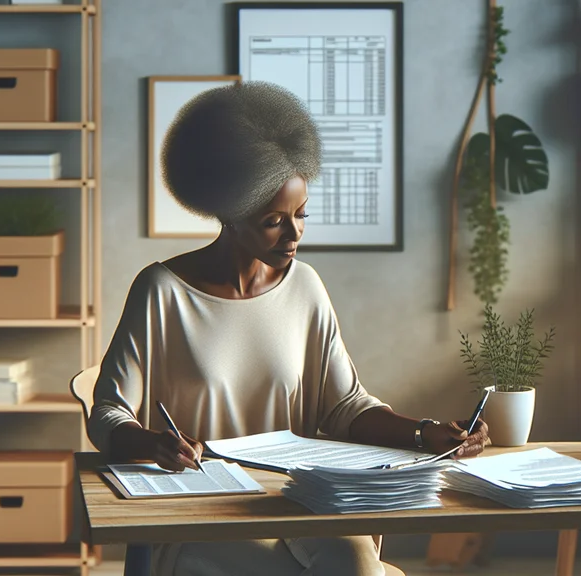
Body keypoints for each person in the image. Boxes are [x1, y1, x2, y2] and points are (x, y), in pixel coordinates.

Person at [87, 81, 491, 576]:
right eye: (274, 220)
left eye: (301, 214)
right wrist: (151, 443)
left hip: (301, 499)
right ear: (230, 215)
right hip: (203, 511)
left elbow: (344, 406)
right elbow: (108, 409)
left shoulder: (305, 287)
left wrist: (426, 434)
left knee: (361, 567)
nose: (295, 232)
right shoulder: (162, 291)